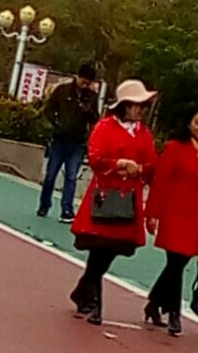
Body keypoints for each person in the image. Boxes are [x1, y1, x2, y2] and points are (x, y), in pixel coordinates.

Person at [69, 79, 158, 326]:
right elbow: (95, 158)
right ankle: (95, 303)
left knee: (108, 253)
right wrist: (119, 164)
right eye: (138, 105)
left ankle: (82, 291)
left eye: (144, 106)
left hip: (128, 200)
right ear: (125, 105)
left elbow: (152, 165)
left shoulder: (144, 134)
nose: (142, 110)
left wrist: (140, 169)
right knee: (99, 250)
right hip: (105, 196)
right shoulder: (105, 127)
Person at [144, 107, 198, 337]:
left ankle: (154, 302)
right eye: (197, 122)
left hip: (195, 218)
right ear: (188, 123)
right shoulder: (175, 148)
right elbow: (161, 182)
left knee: (177, 265)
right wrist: (152, 213)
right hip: (174, 214)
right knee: (175, 264)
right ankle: (174, 313)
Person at [38, 62, 100, 222]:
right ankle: (44, 204)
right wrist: (55, 125)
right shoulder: (62, 90)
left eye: (88, 83)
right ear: (77, 77)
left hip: (77, 142)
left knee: (71, 177)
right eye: (83, 82)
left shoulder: (92, 97)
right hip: (59, 140)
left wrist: (88, 111)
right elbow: (48, 109)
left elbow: (95, 118)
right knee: (51, 175)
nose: (85, 85)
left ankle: (67, 210)